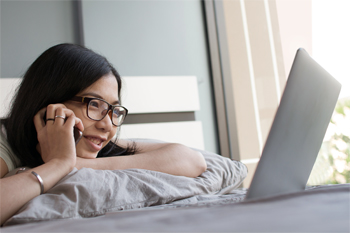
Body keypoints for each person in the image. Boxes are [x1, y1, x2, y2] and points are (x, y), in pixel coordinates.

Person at [0, 43, 207, 225]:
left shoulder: (97, 142)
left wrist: (74, 163)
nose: (107, 125)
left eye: (114, 110)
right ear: (50, 105)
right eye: (94, 104)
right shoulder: (5, 142)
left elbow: (193, 161)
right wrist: (57, 165)